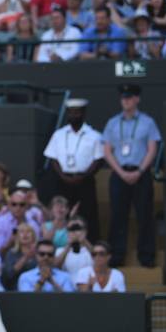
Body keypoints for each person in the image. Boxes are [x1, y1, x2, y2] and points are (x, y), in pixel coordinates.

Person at [102, 83, 161, 267]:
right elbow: (107, 150)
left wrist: (140, 171)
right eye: (123, 97)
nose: (125, 101)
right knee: (118, 215)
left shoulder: (147, 122)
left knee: (145, 215)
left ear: (137, 99)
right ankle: (116, 256)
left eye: (129, 97)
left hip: (141, 173)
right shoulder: (112, 122)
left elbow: (152, 149)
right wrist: (120, 172)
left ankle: (147, 256)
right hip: (119, 173)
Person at [43, 97, 105, 240]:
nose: (73, 116)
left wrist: (83, 177)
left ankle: (90, 248)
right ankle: (63, 245)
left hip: (85, 181)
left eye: (77, 112)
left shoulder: (94, 136)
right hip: (62, 180)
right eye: (70, 112)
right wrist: (63, 176)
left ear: (83, 113)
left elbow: (98, 160)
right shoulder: (58, 135)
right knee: (61, 214)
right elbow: (53, 158)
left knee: (88, 215)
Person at [54, 217, 94, 285]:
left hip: (87, 289)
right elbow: (55, 267)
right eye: (72, 229)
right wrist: (69, 244)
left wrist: (84, 241)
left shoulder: (90, 249)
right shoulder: (60, 251)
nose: (75, 231)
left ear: (85, 231)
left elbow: (99, 257)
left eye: (78, 228)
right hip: (67, 289)